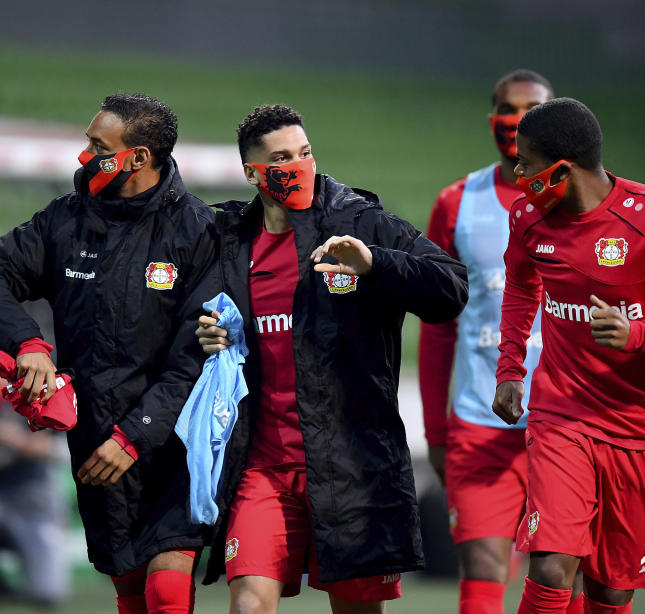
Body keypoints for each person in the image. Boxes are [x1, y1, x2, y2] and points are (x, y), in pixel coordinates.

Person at [196, 104, 468, 613]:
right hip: (264, 467)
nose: (298, 166)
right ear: (253, 173)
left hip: (353, 467)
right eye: (281, 158)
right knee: (248, 605)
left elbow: (451, 288)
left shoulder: (360, 221)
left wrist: (377, 263)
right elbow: (199, 320)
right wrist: (206, 335)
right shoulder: (229, 241)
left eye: (305, 153)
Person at [0, 93, 216, 614]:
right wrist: (28, 345)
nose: (85, 155)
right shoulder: (66, 221)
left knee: (166, 592)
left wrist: (135, 435)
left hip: (171, 448)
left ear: (138, 157)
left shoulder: (197, 231)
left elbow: (197, 359)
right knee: (131, 594)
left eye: (98, 145)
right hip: (95, 445)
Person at [493, 97, 645, 614]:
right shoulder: (527, 217)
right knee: (550, 566)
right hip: (562, 415)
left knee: (610, 590)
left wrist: (640, 335)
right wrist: (510, 368)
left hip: (642, 431)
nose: (517, 172)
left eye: (527, 162)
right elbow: (521, 289)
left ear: (561, 169)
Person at [418, 69, 572, 614]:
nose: (518, 120)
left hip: (569, 428)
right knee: (483, 567)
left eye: (532, 110)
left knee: (560, 576)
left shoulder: (588, 205)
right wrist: (436, 432)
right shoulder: (457, 204)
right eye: (507, 109)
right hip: (479, 426)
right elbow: (438, 327)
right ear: (491, 121)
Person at [0, 341, 72, 606]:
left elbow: (61, 450)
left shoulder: (31, 399)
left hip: (34, 510)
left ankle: (18, 575)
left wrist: (18, 447)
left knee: (48, 593)